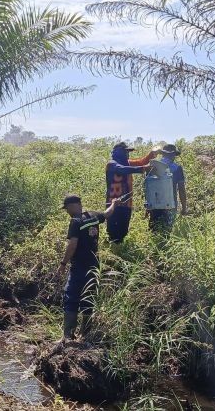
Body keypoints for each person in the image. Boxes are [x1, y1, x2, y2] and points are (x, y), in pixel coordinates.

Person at [57, 194, 120, 340]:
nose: (67, 211)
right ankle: (85, 334)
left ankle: (68, 335)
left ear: (74, 205)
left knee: (71, 296)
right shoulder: (93, 216)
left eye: (67, 208)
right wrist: (114, 204)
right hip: (93, 265)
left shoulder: (76, 221)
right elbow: (107, 214)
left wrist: (63, 263)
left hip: (79, 266)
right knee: (88, 297)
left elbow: (72, 245)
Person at [105, 141, 160, 243]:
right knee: (113, 231)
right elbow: (121, 170)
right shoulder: (111, 164)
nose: (127, 154)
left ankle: (118, 249)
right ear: (119, 152)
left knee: (123, 230)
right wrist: (143, 169)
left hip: (127, 204)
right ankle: (113, 251)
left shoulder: (128, 163)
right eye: (126, 152)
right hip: (113, 204)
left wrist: (152, 153)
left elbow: (141, 162)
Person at [149, 143, 187, 234]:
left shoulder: (153, 165)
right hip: (170, 204)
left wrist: (148, 206)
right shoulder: (177, 168)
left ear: (163, 154)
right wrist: (184, 207)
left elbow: (148, 186)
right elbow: (181, 189)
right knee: (168, 231)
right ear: (173, 155)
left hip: (154, 203)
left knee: (154, 230)